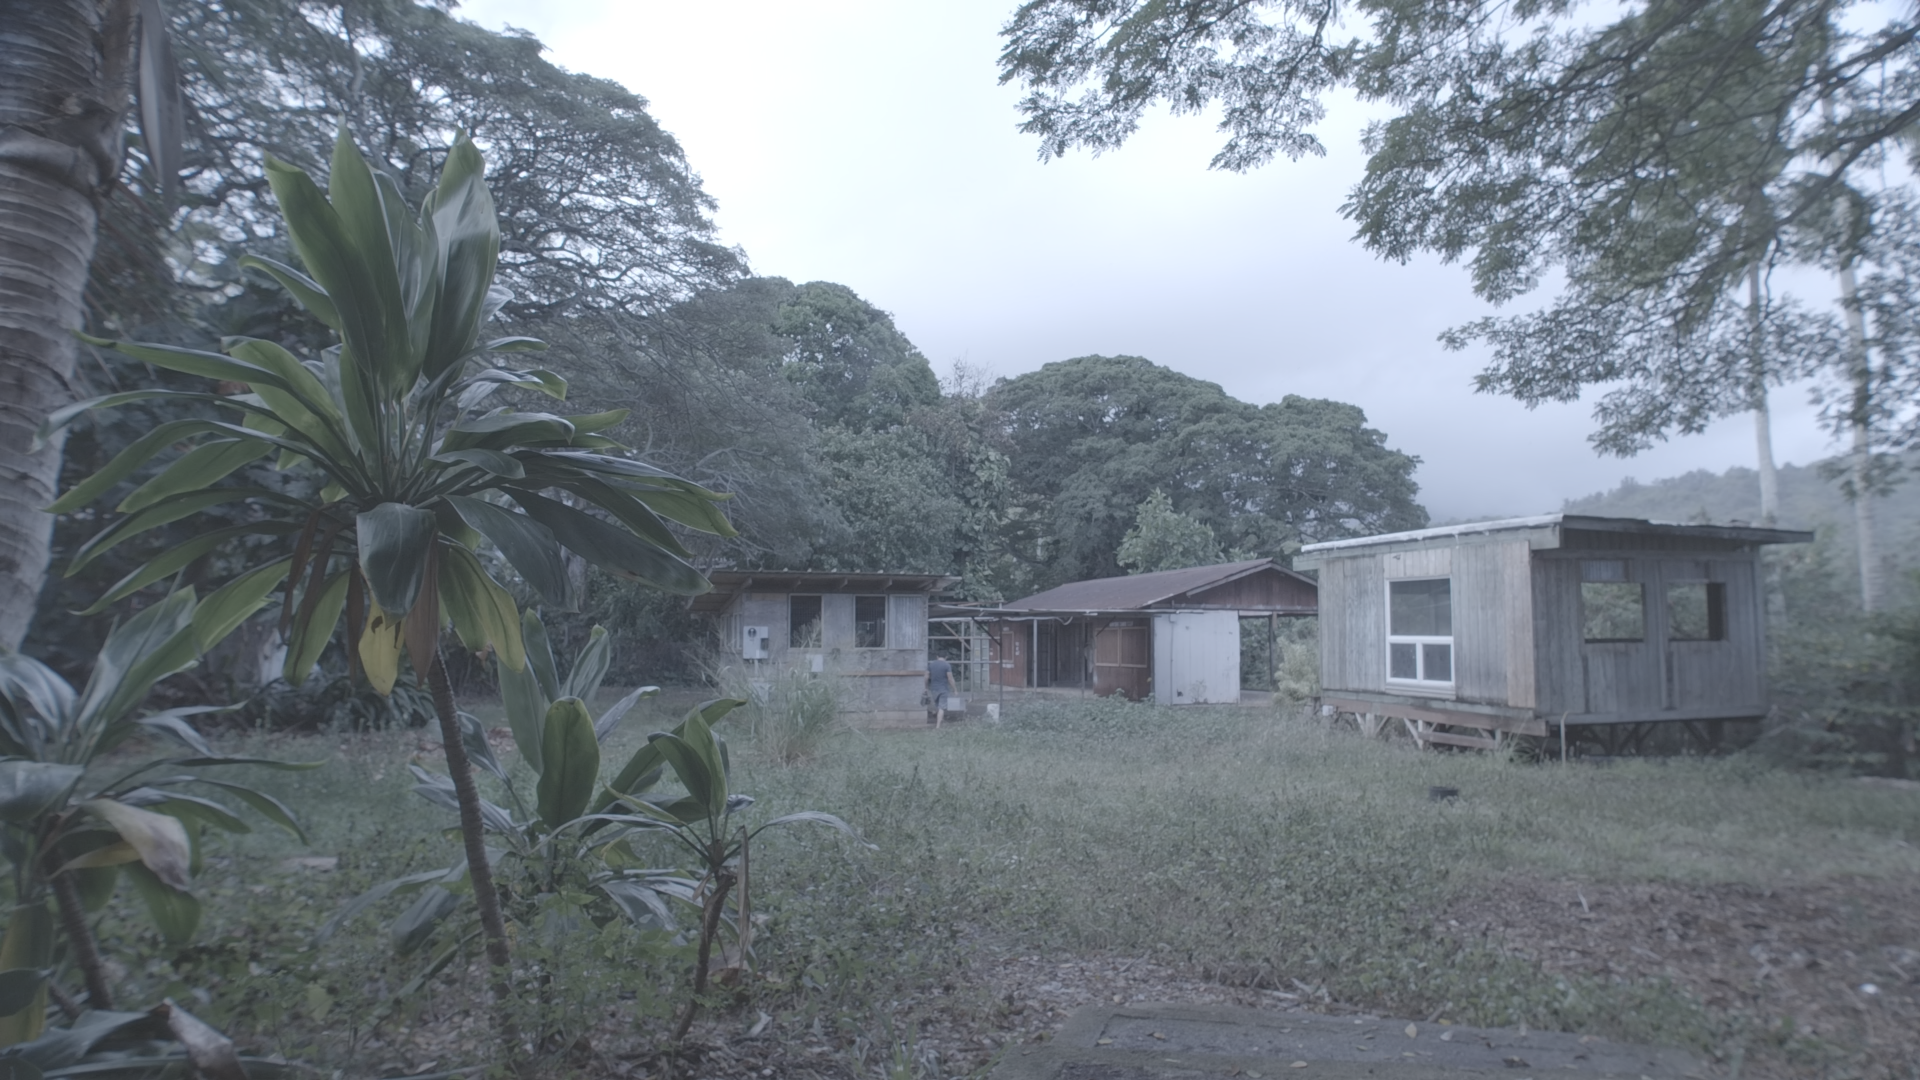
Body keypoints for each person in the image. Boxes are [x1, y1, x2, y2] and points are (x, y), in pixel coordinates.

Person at [925, 654, 956, 728]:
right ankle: (938, 726)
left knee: (938, 705)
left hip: (934, 689)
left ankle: (938, 717)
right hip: (943, 689)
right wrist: (955, 689)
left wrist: (925, 687)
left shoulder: (931, 665)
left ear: (937, 656)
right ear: (946, 657)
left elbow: (926, 676)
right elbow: (950, 678)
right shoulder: (947, 665)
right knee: (941, 707)